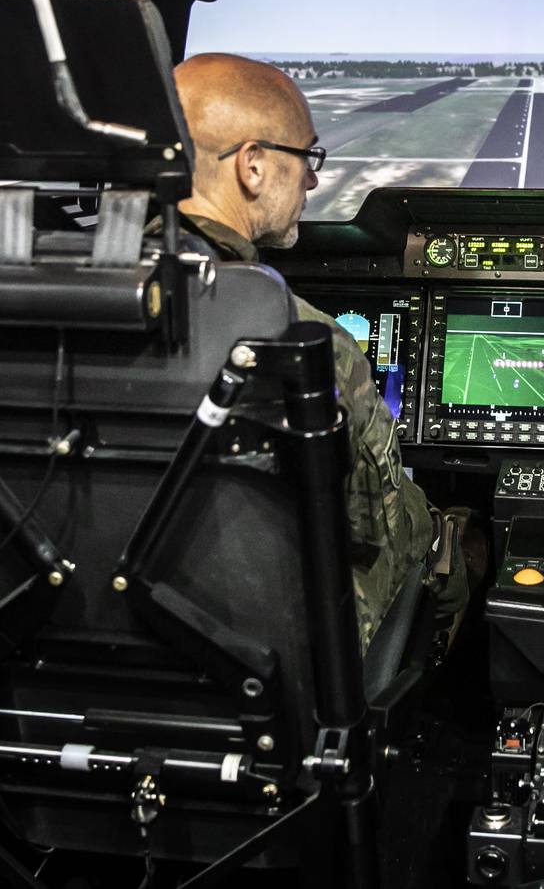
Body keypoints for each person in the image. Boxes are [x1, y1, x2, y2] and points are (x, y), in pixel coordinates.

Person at [168, 52, 477, 654]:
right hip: (263, 661)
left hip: (74, 647)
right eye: (305, 157)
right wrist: (446, 539)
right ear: (252, 167)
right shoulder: (301, 341)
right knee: (448, 554)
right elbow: (381, 531)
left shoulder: (27, 309)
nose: (311, 180)